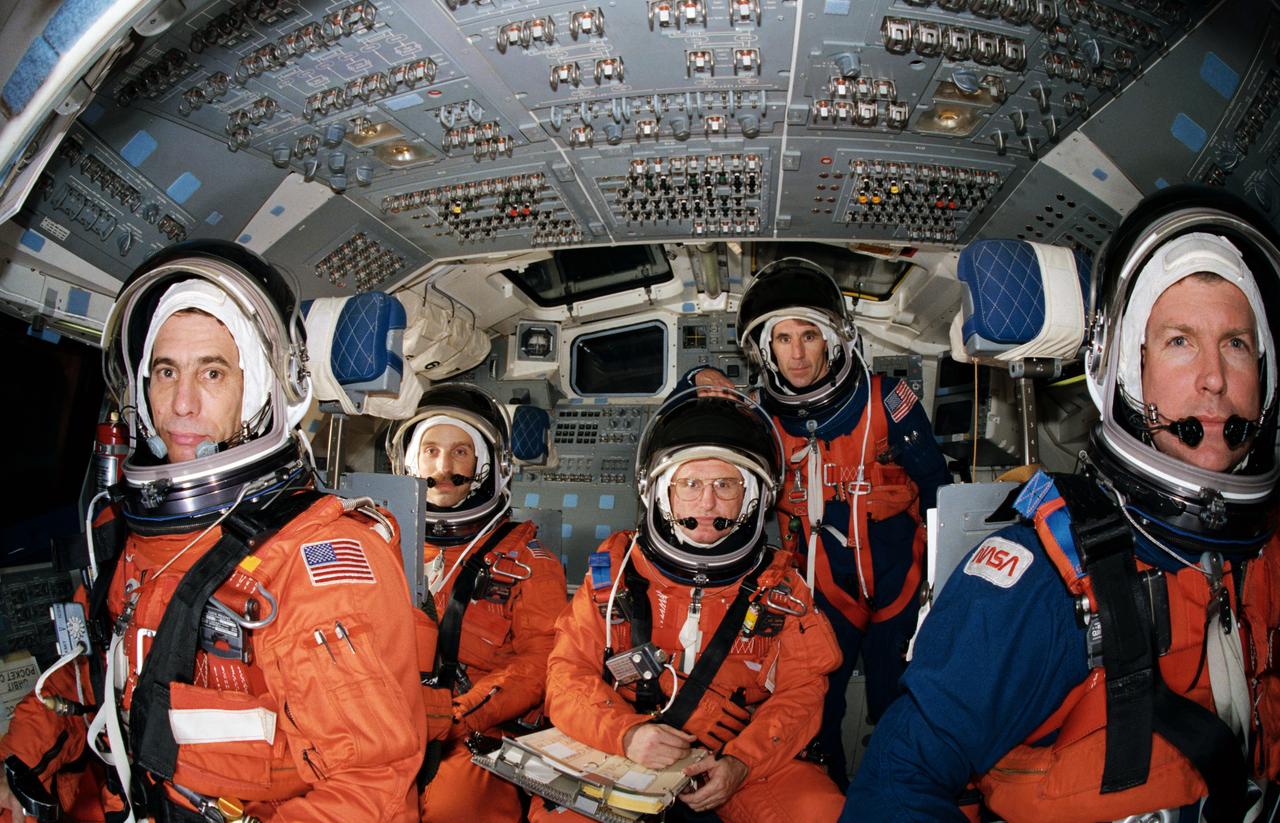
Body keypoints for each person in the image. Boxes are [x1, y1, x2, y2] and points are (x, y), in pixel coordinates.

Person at [846, 186, 1280, 821]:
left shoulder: (1265, 551)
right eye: (1180, 341)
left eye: (1236, 344)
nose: (1214, 377)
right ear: (1127, 370)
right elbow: (894, 790)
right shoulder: (1040, 577)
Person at [0, 240, 429, 822]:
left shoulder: (318, 560)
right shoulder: (125, 536)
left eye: (213, 372)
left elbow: (370, 789)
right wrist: (14, 765)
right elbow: (87, 677)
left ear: (256, 393)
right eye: (165, 371)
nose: (180, 403)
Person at [681, 259, 950, 786]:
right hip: (823, 594)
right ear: (765, 349)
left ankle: (898, 792)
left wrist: (941, 590)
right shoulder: (758, 418)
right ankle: (825, 794)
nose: (798, 353)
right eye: (783, 339)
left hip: (903, 584)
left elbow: (939, 491)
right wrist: (698, 378)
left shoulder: (887, 400)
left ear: (832, 340)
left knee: (904, 705)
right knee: (814, 710)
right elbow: (688, 422)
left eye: (809, 335)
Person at [532, 391, 845, 822]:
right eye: (690, 484)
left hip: (736, 753)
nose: (708, 502)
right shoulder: (615, 573)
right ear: (662, 494)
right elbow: (566, 675)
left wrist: (741, 762)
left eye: (725, 484)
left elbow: (802, 693)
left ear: (753, 496)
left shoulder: (782, 584)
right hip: (628, 747)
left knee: (820, 814)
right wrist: (627, 734)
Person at [387, 384, 566, 823]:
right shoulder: (378, 545)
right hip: (385, 721)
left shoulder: (527, 560)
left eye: (461, 452)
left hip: (474, 728)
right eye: (430, 450)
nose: (443, 468)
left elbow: (541, 660)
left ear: (487, 466)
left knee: (455, 809)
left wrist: (457, 714)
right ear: (409, 461)